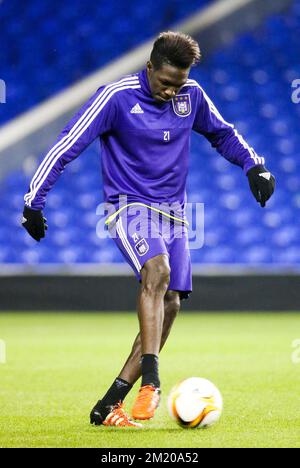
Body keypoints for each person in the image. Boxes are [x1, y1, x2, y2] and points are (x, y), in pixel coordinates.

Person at [22, 31, 275, 428]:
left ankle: (110, 402)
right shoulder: (116, 97)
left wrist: (253, 165)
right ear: (150, 68)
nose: (171, 92)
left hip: (174, 214)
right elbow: (68, 143)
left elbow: (222, 133)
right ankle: (152, 382)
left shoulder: (191, 95)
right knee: (157, 273)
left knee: (171, 302)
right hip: (128, 207)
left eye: (179, 84)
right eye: (165, 83)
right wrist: (33, 202)